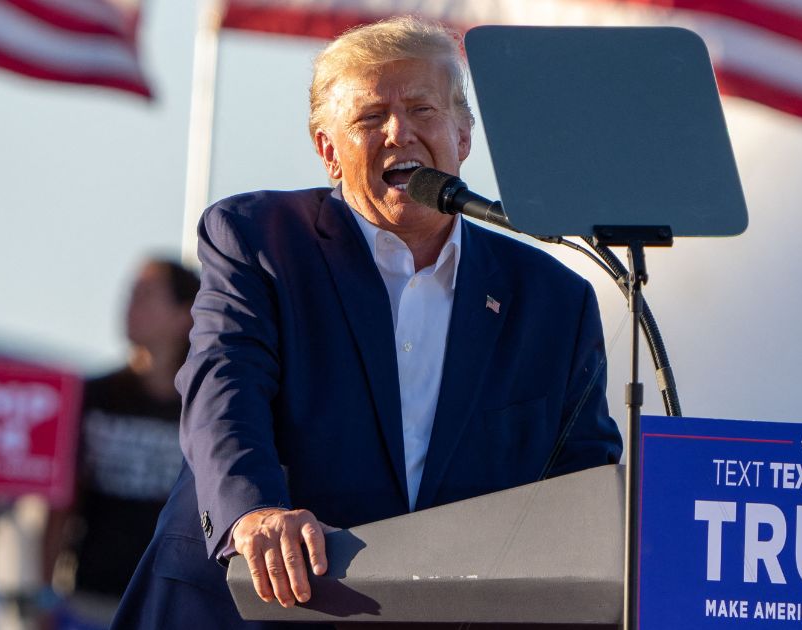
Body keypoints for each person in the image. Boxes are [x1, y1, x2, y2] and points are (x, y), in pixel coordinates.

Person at [113, 16, 623, 629]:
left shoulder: (552, 299)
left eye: (422, 109)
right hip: (249, 609)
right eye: (368, 119)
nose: (398, 132)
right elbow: (224, 391)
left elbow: (580, 489)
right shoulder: (257, 241)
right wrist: (254, 514)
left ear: (463, 136)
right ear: (328, 149)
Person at [44, 258, 198, 629]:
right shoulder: (92, 394)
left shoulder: (204, 407)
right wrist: (42, 594)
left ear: (184, 316)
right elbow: (62, 501)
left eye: (146, 296)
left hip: (172, 604)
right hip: (90, 600)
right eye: (130, 294)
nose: (130, 306)